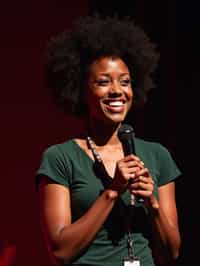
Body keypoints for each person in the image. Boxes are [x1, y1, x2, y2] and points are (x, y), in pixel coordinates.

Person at [36, 15, 181, 266]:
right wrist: (113, 191)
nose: (116, 91)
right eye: (103, 82)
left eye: (124, 82)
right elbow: (60, 252)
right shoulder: (59, 158)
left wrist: (152, 204)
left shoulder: (158, 155)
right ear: (81, 90)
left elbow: (172, 253)